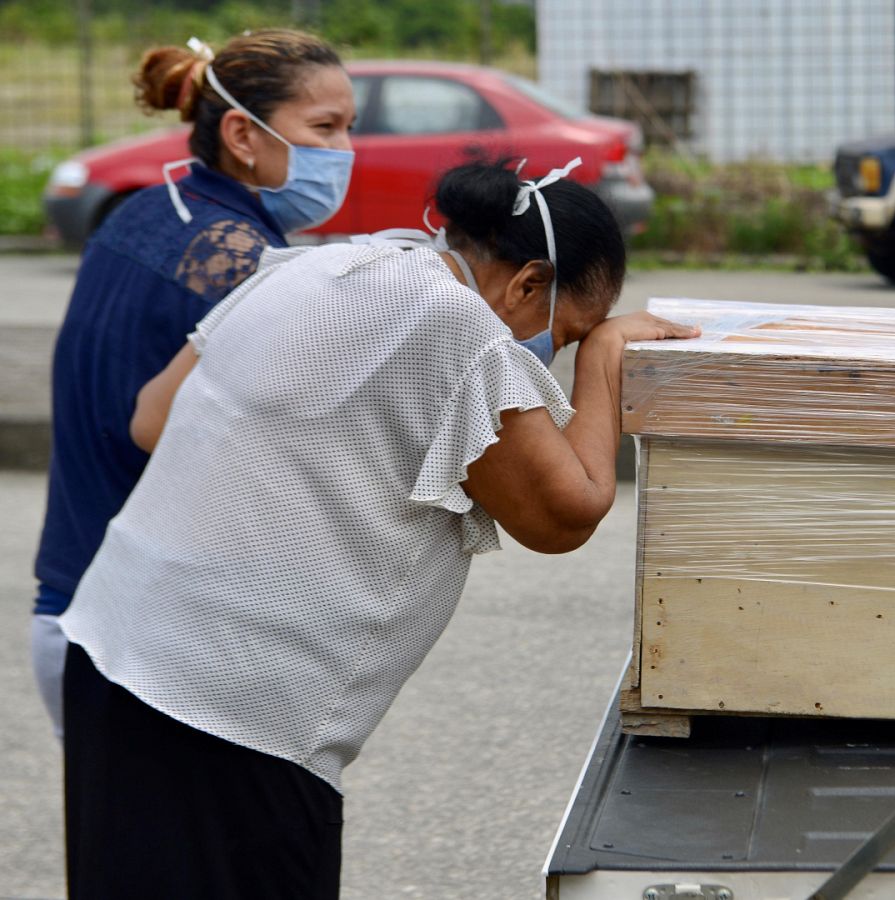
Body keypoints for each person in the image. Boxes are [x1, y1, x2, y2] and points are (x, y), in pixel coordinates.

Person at [56, 156, 699, 898]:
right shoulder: (458, 328)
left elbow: (153, 417)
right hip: (235, 717)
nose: (555, 352)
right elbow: (565, 514)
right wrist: (608, 362)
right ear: (527, 283)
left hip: (112, 649)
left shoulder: (315, 266)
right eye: (569, 331)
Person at [30, 29, 355, 740]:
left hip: (71, 604)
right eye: (325, 128)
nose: (344, 152)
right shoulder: (240, 262)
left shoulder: (145, 214)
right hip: (138, 645)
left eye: (349, 128)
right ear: (243, 132)